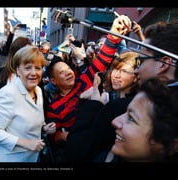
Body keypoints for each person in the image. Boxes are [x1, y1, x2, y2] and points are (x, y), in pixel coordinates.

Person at [64, 17, 178, 162]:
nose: (136, 71)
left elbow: (75, 153)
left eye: (140, 61)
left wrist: (92, 105)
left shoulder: (118, 108)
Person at [45, 14, 133, 162]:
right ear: (53, 81)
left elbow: (102, 59)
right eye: (61, 72)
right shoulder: (54, 107)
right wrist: (65, 136)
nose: (68, 73)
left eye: (68, 69)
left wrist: (114, 34)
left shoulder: (84, 80)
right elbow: (56, 137)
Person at [97, 77, 178, 162]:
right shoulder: (106, 157)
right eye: (126, 112)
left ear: (170, 146)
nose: (115, 121)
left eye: (131, 119)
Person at [0, 45, 56, 162]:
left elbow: (27, 121)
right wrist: (26, 143)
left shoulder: (37, 90)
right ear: (18, 70)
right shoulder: (8, 94)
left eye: (38, 68)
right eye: (28, 68)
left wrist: (44, 128)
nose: (34, 73)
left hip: (29, 158)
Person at [0, 36, 32, 103]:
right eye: (22, 52)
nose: (25, 56)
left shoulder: (34, 75)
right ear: (14, 53)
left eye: (28, 53)